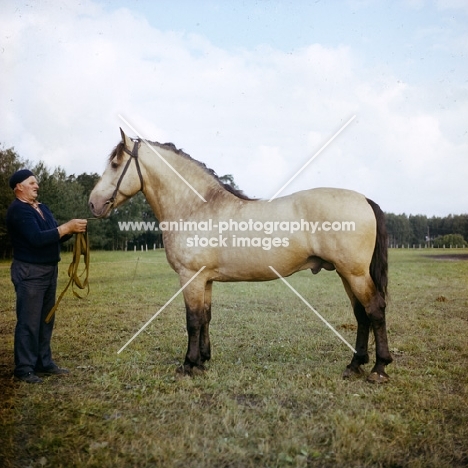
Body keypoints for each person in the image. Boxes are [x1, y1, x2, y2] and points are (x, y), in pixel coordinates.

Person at [6, 169, 88, 384]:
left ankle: (43, 362)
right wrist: (65, 227)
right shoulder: (18, 210)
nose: (37, 186)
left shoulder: (43, 208)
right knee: (29, 322)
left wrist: (72, 230)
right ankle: (24, 368)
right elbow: (36, 239)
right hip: (30, 272)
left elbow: (52, 236)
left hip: (49, 270)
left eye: (37, 183)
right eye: (32, 183)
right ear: (19, 187)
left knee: (46, 319)